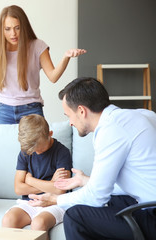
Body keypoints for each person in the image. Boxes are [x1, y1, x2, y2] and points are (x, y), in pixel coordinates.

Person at [28, 77, 156, 239]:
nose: (70, 123)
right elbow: (136, 182)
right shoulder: (142, 115)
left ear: (81, 111)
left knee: (76, 216)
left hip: (152, 214)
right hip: (147, 203)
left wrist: (55, 199)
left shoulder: (111, 130)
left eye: (69, 115)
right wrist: (86, 181)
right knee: (111, 200)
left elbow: (96, 196)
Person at [1, 114, 72, 238]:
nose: (36, 152)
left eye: (39, 148)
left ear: (50, 134)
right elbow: (18, 188)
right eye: (33, 150)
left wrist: (30, 180)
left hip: (55, 203)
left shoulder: (62, 153)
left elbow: (60, 190)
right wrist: (51, 184)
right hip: (31, 202)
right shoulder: (27, 151)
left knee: (38, 223)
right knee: (8, 220)